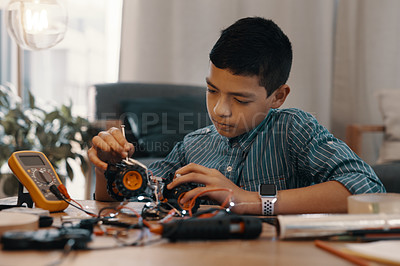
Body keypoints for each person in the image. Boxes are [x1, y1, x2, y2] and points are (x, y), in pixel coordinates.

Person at [88, 17, 385, 215]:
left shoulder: (293, 129)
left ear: (278, 96)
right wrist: (110, 168)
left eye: (240, 99)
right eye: (212, 90)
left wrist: (248, 199)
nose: (220, 110)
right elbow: (123, 199)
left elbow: (367, 187)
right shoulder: (193, 145)